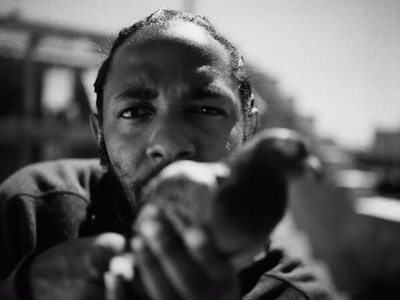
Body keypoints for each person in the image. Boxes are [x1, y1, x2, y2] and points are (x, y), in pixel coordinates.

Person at [0, 8, 332, 300]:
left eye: (205, 109)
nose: (171, 144)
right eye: (134, 112)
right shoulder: (30, 211)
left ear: (249, 128)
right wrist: (22, 289)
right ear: (99, 132)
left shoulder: (294, 295)